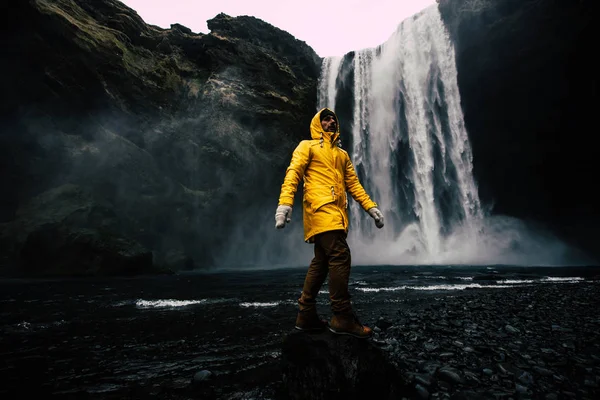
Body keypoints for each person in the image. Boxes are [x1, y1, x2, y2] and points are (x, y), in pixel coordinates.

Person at [274, 108, 384, 339]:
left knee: (321, 262)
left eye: (334, 118)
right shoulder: (308, 146)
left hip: (336, 214)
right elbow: (293, 173)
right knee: (340, 255)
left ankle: (305, 315)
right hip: (321, 209)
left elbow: (354, 185)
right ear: (317, 123)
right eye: (326, 118)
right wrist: (285, 204)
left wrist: (371, 208)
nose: (331, 121)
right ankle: (342, 316)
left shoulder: (342, 155)